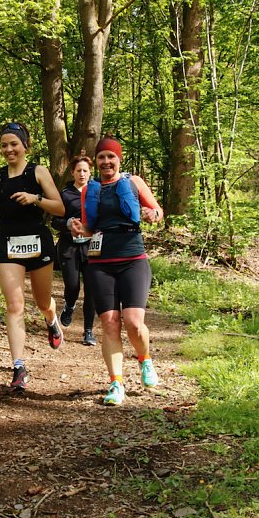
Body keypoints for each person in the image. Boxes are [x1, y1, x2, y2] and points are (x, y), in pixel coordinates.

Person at [0, 122, 66, 393]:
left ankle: (51, 319)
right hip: (9, 244)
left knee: (42, 301)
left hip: (38, 241)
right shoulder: (0, 176)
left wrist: (35, 198)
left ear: (25, 145)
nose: (9, 149)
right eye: (4, 145)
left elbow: (59, 207)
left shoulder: (38, 171)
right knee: (14, 305)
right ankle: (18, 367)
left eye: (14, 143)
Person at [69, 136, 164, 406]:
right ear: (96, 162)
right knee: (109, 323)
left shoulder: (133, 182)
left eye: (111, 157)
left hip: (133, 258)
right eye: (102, 157)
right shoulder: (91, 189)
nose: (106, 162)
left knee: (134, 322)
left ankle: (145, 360)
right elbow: (88, 228)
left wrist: (152, 215)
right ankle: (116, 383)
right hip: (100, 262)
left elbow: (158, 210)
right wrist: (80, 230)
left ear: (119, 159)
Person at [51, 153, 97, 346]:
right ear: (72, 172)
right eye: (78, 170)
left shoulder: (97, 191)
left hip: (92, 247)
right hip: (69, 247)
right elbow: (54, 221)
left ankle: (88, 331)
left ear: (90, 172)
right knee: (72, 286)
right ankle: (69, 305)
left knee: (92, 289)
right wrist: (68, 223)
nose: (82, 174)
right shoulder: (65, 193)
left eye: (85, 170)